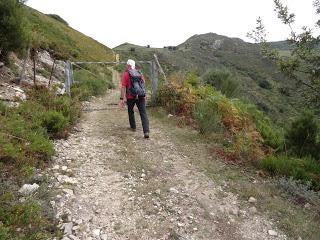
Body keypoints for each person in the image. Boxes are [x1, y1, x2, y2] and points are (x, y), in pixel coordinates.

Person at [119, 59, 150, 138]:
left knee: (130, 111)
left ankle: (133, 127)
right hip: (140, 95)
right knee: (143, 113)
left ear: (128, 65)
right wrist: (144, 94)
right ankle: (146, 131)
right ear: (134, 65)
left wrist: (121, 98)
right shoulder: (139, 73)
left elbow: (123, 87)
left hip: (130, 96)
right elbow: (143, 84)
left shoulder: (126, 74)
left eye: (127, 65)